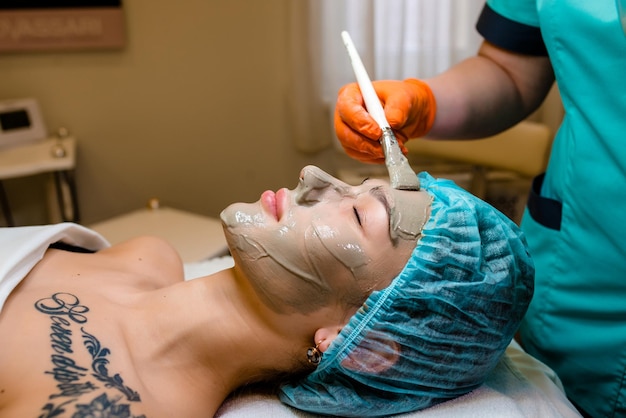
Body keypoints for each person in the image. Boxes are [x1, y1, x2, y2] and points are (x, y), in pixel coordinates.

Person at [0, 165, 533, 418]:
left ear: (361, 344)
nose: (313, 174)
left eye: (356, 212)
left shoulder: (105, 408)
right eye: (354, 182)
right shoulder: (147, 254)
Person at [333, 2, 626, 417]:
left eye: (363, 213)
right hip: (579, 272)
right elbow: (511, 71)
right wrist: (424, 101)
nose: (311, 176)